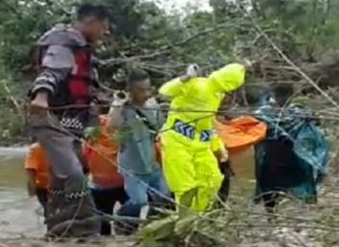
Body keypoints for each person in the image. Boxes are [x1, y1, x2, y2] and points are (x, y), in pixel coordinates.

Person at [28, 3, 111, 238]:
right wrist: (41, 97)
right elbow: (51, 70)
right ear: (91, 21)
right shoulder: (64, 42)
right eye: (103, 28)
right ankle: (83, 231)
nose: (104, 33)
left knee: (63, 175)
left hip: (73, 124)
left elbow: (86, 87)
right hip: (51, 118)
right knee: (73, 175)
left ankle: (59, 230)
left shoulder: (84, 50)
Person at [158, 62, 247, 213]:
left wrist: (218, 145)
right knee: (184, 186)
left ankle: (198, 215)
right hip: (176, 141)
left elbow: (208, 122)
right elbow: (164, 91)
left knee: (212, 180)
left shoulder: (217, 94)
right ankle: (186, 220)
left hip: (200, 145)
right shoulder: (196, 84)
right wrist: (187, 77)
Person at [107, 70, 169, 233]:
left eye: (148, 89)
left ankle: (152, 227)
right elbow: (111, 127)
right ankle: (121, 223)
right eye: (141, 90)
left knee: (164, 195)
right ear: (131, 90)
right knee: (138, 201)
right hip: (132, 166)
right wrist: (118, 104)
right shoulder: (123, 109)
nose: (146, 94)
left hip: (151, 163)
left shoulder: (153, 105)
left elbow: (162, 128)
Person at [254, 84, 329, 213]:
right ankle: (271, 213)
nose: (282, 100)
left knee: (292, 179)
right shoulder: (264, 112)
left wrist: (312, 118)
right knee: (269, 182)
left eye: (285, 97)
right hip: (270, 152)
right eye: (280, 96)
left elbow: (316, 122)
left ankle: (288, 210)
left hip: (290, 152)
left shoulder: (297, 111)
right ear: (274, 95)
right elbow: (257, 127)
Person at [83, 113, 128, 236]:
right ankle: (128, 233)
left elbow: (84, 157)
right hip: (123, 182)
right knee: (132, 208)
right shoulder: (121, 135)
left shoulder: (92, 138)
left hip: (99, 184)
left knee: (103, 215)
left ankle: (106, 239)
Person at [25, 141, 49, 218]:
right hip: (44, 187)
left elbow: (30, 170)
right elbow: (30, 170)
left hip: (58, 185)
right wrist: (32, 188)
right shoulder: (36, 148)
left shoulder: (35, 148)